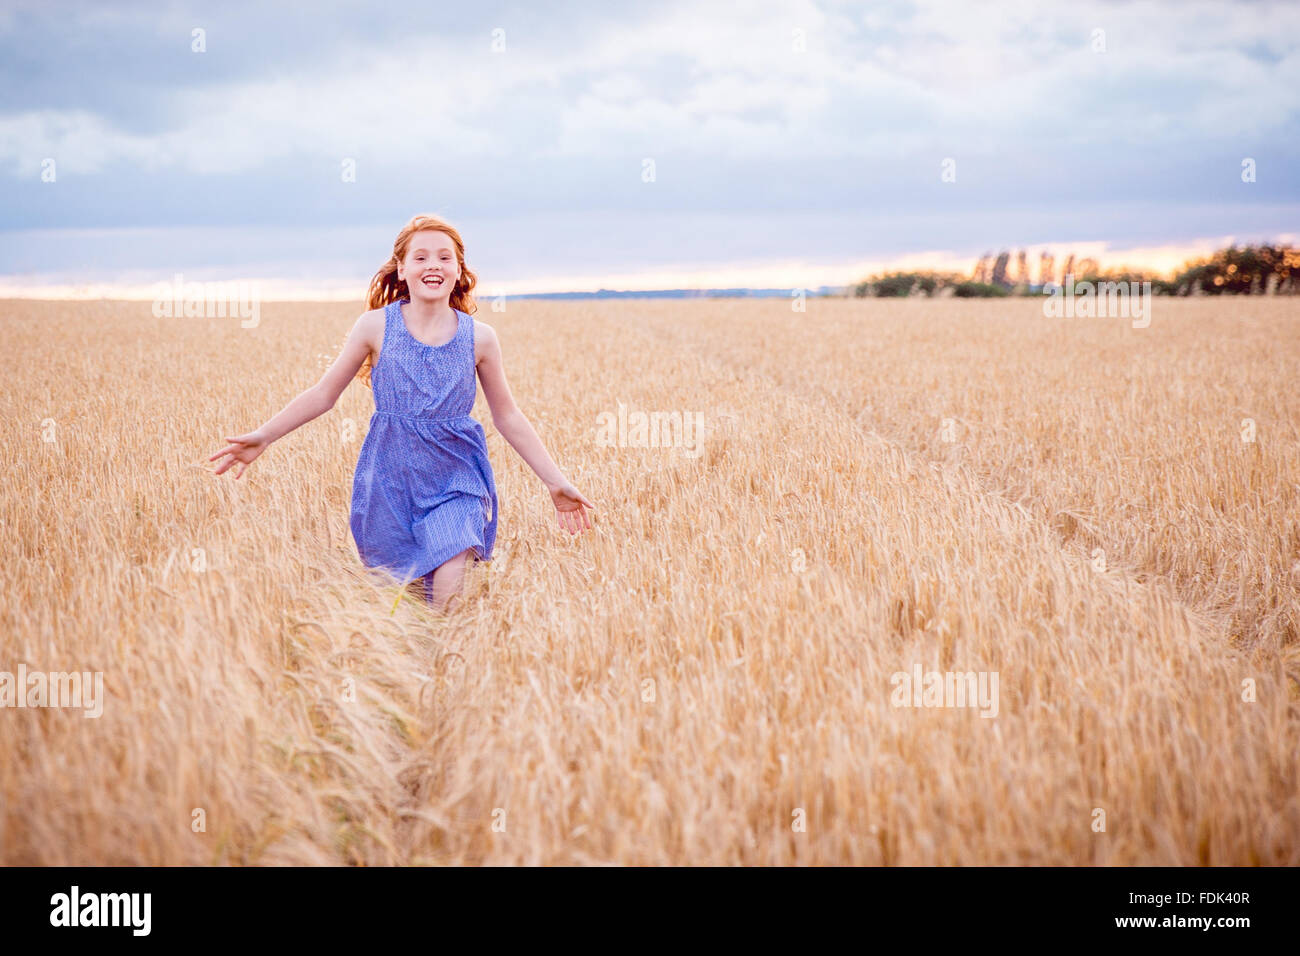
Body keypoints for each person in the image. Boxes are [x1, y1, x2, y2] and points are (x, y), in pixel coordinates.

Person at [209, 214, 594, 612]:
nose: (433, 265)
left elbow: (508, 415)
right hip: (389, 478)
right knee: (404, 602)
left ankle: (453, 663)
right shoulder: (374, 327)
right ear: (402, 269)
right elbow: (324, 394)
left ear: (459, 270)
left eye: (445, 258)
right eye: (421, 257)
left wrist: (555, 482)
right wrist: (265, 435)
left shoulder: (480, 337)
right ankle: (417, 664)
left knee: (450, 581)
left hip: (456, 477)